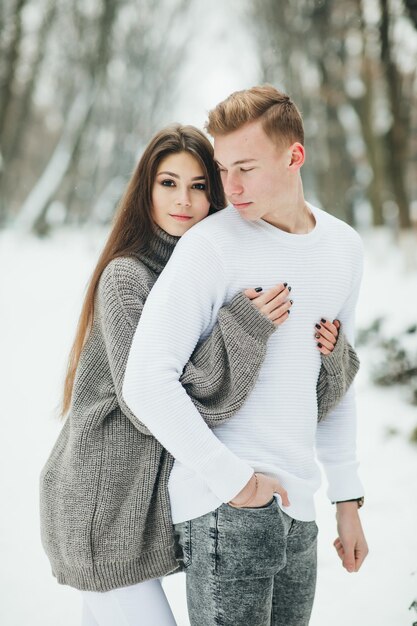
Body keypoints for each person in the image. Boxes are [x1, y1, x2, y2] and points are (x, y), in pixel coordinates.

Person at [40, 123, 358, 626]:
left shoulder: (195, 268)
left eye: (198, 185)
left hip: (140, 514)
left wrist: (333, 357)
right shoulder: (128, 277)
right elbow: (148, 402)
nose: (183, 201)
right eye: (168, 183)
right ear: (145, 190)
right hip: (102, 508)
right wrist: (242, 330)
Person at [122, 86, 368, 626]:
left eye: (246, 168)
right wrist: (235, 482)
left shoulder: (344, 248)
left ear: (294, 156)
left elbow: (334, 380)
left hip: (299, 510)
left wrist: (346, 500)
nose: (229, 187)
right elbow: (144, 381)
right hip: (224, 509)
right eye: (223, 168)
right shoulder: (210, 244)